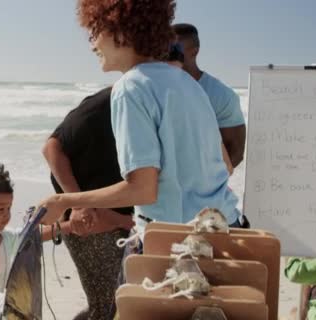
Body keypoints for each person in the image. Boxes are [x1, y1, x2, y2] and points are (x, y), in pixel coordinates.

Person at [39, 0, 241, 236]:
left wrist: (63, 201)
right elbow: (225, 166)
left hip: (181, 241)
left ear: (121, 32)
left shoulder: (131, 87)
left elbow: (143, 189)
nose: (93, 45)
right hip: (227, 227)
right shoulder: (189, 83)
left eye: (95, 31)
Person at [42, 87, 133, 319]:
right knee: (108, 307)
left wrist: (126, 220)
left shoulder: (166, 103)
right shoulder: (110, 101)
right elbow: (52, 148)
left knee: (123, 305)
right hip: (91, 223)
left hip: (130, 223)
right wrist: (80, 205)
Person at [0, 164, 72, 291]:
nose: (7, 214)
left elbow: (33, 236)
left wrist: (69, 226)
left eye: (9, 208)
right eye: (0, 209)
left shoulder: (6, 236)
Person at [173, 23, 246, 168]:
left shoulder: (221, 95)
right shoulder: (151, 90)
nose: (167, 54)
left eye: (176, 49)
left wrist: (205, 186)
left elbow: (235, 153)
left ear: (194, 51)